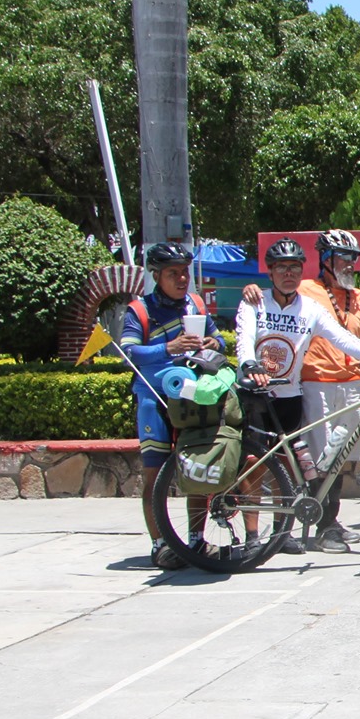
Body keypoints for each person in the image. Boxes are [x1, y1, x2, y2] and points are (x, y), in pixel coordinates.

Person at [235, 238, 360, 552]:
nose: (289, 273)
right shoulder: (254, 301)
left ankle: (280, 533)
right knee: (255, 464)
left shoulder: (310, 308)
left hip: (290, 396)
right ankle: (250, 538)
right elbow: (244, 338)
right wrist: (249, 364)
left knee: (286, 468)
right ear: (270, 272)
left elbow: (341, 337)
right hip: (257, 396)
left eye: (295, 268)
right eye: (282, 268)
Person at [121, 240, 220, 569]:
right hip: (153, 396)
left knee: (198, 471)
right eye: (173, 274)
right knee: (155, 474)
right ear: (156, 275)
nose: (182, 280)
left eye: (185, 273)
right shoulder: (140, 310)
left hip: (192, 396)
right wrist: (169, 347)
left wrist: (210, 342)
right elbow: (128, 353)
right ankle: (160, 544)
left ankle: (196, 540)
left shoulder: (195, 304)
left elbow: (219, 338)